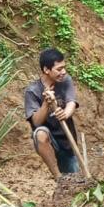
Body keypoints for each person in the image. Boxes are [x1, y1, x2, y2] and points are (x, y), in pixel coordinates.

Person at [24, 47, 80, 179]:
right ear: (46, 70)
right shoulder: (32, 91)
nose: (64, 72)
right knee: (40, 133)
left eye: (64, 67)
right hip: (50, 141)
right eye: (59, 69)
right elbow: (36, 122)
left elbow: (71, 101)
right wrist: (46, 103)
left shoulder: (66, 80)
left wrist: (65, 114)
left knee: (76, 182)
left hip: (67, 140)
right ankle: (57, 177)